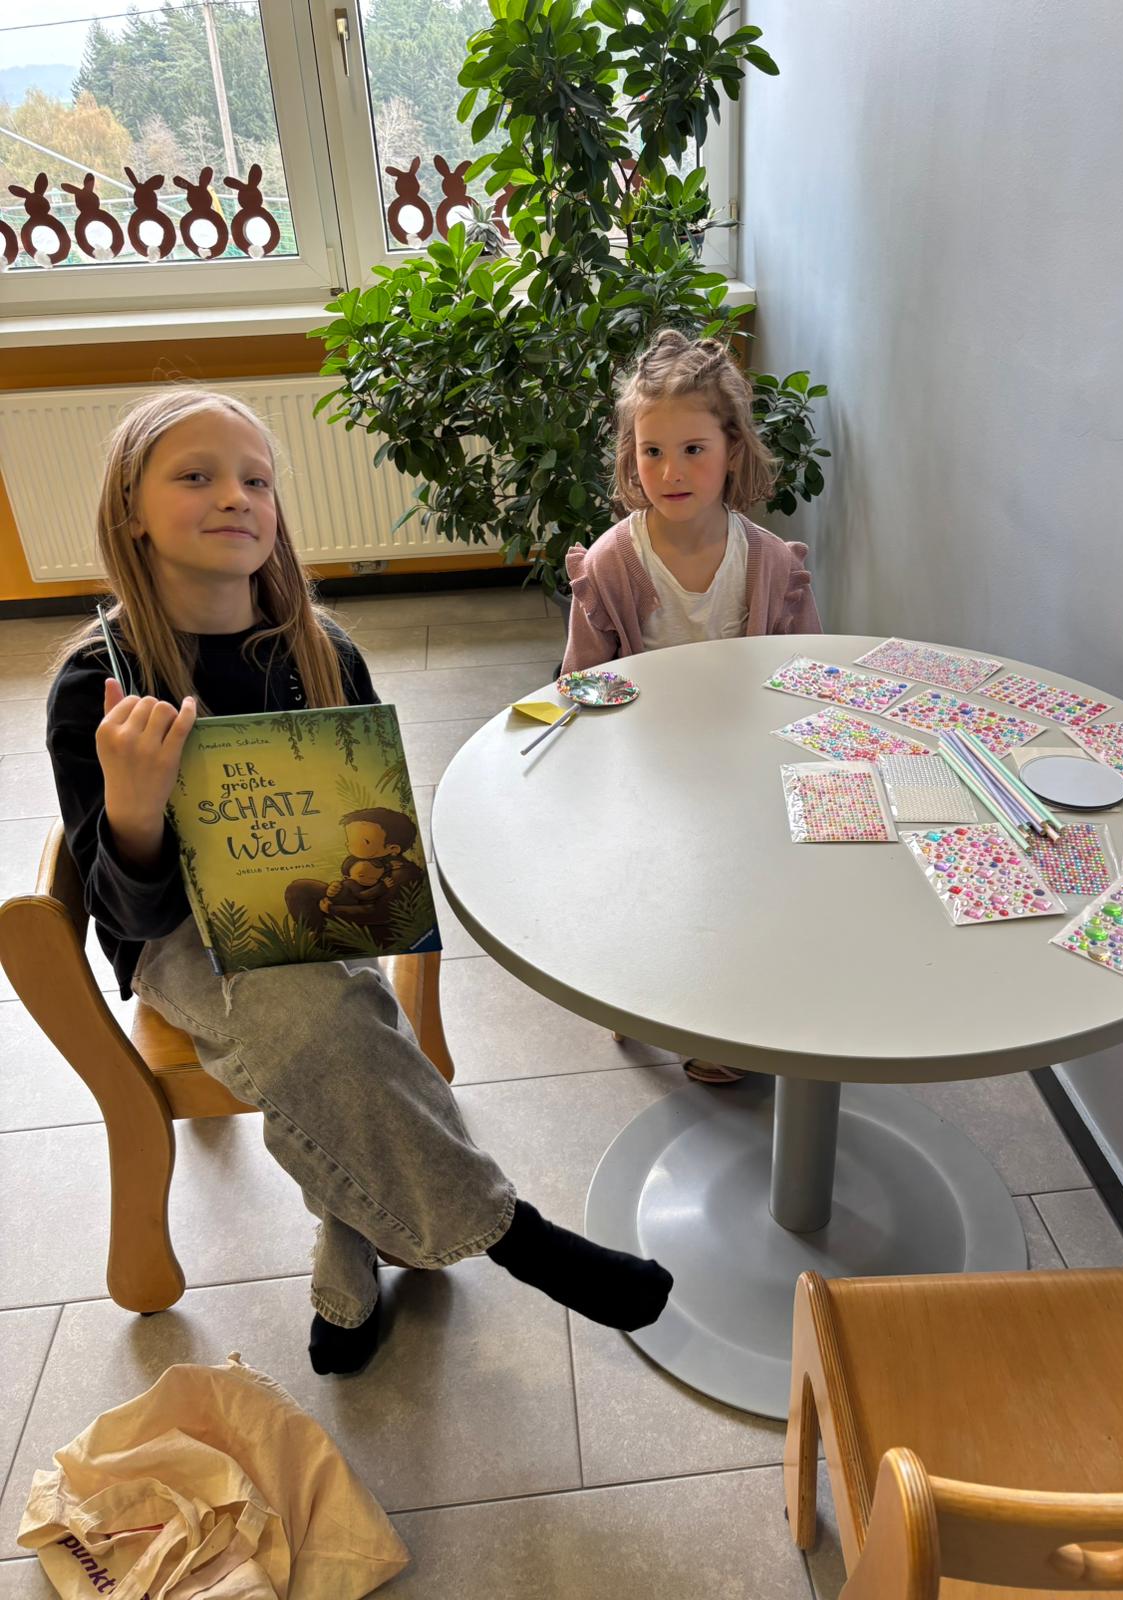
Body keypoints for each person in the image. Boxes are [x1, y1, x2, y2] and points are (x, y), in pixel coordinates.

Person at [45, 389, 673, 1377]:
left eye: (257, 480)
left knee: (330, 1020)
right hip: (185, 940)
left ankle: (348, 1263)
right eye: (196, 476)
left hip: (321, 912)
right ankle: (518, 1239)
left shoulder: (320, 650)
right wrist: (133, 811)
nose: (236, 496)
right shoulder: (100, 684)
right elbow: (131, 918)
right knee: (322, 1017)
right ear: (131, 511)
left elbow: (376, 820)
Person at [562, 330, 823, 1084]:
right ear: (631, 456)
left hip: (741, 766)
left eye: (693, 450)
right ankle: (635, 993)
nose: (670, 471)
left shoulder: (769, 563)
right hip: (648, 765)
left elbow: (804, 675)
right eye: (652, 452)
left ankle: (723, 1022)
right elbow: (581, 677)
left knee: (736, 889)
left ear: (733, 449)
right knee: (648, 887)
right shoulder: (613, 561)